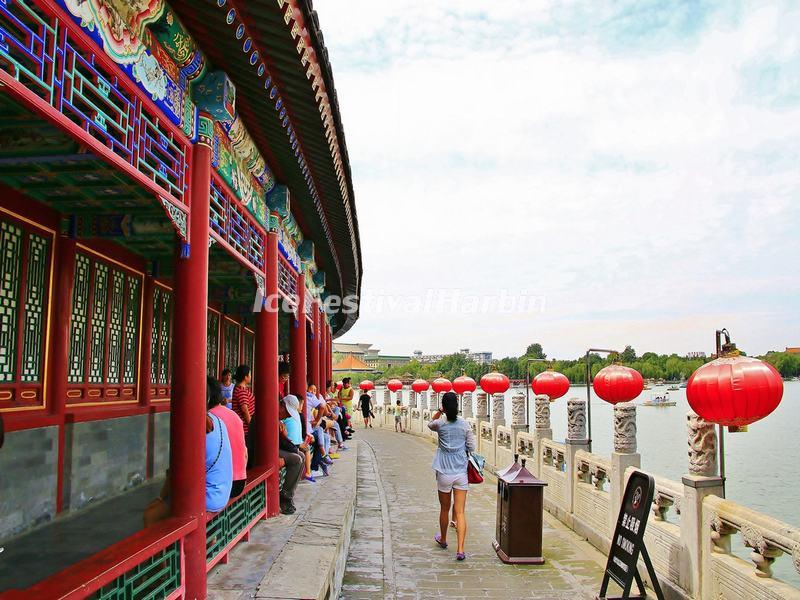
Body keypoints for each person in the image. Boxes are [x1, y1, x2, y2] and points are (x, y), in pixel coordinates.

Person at [428, 391, 476, 561]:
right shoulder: (464, 425)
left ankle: (443, 539)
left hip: (443, 471)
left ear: (445, 407)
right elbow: (472, 447)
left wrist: (440, 410)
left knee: (444, 509)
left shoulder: (440, 424)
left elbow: (430, 423)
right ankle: (461, 549)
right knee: (460, 512)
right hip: (461, 471)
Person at [208, 376, 247, 498]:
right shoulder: (234, 415)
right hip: (240, 482)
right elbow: (245, 454)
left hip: (222, 486)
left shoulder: (208, 418)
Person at [206, 385, 234, 512]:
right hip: (228, 489)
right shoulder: (219, 420)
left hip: (209, 498)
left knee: (151, 513)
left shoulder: (201, 422)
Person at [278, 397, 305, 514]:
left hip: (276, 446)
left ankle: (288, 494)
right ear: (282, 406)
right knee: (296, 458)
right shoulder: (272, 415)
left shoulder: (279, 420)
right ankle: (285, 497)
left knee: (301, 455)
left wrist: (284, 435)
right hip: (262, 449)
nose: (288, 416)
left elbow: (282, 441)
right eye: (288, 413)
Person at [283, 394, 315, 482]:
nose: (301, 407)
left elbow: (302, 431)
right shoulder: (285, 417)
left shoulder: (298, 416)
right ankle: (308, 472)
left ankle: (308, 471)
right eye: (301, 405)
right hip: (291, 444)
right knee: (299, 456)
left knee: (302, 454)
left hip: (294, 444)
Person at [231, 365, 256, 466]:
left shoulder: (240, 389)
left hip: (245, 429)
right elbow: (245, 411)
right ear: (245, 377)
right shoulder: (241, 391)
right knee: (248, 455)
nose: (250, 376)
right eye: (249, 374)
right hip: (245, 429)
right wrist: (252, 426)